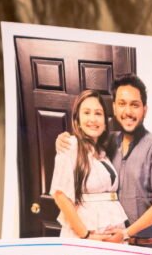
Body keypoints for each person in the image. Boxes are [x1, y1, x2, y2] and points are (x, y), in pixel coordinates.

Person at [58, 74, 152, 248]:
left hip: (146, 245)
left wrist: (125, 234)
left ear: (144, 109)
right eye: (122, 103)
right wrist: (62, 140)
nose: (128, 111)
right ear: (114, 107)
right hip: (113, 243)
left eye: (134, 105)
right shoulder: (107, 143)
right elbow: (82, 145)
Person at [50, 89, 128, 240]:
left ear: (105, 122)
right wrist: (86, 236)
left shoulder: (102, 151)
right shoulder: (70, 145)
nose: (93, 119)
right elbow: (60, 195)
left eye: (98, 113)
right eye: (86, 112)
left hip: (112, 236)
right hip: (87, 235)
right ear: (77, 119)